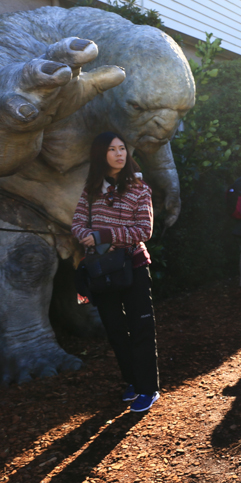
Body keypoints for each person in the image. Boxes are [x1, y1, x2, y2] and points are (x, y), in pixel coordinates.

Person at [71, 131, 161, 412]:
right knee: (115, 330)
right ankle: (132, 381)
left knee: (141, 327)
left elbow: (144, 230)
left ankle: (148, 389)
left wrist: (103, 236)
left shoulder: (139, 188)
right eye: (113, 149)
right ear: (102, 154)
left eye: (123, 148)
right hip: (102, 272)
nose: (120, 154)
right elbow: (76, 224)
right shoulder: (92, 189)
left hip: (132, 266)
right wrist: (88, 236)